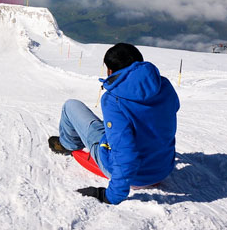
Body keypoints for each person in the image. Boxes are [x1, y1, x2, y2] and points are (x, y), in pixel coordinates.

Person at [49, 43, 179, 205]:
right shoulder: (164, 86)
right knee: (117, 128)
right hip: (162, 170)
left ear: (110, 71)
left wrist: (111, 196)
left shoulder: (113, 100)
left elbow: (125, 152)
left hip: (136, 177)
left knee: (71, 106)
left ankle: (67, 144)